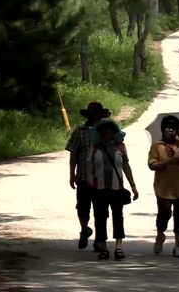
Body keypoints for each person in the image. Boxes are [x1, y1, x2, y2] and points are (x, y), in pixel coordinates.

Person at [87, 118, 139, 261]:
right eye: (102, 130)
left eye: (108, 130)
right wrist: (90, 180)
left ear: (113, 132)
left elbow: (126, 167)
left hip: (117, 189)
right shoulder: (95, 147)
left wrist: (133, 186)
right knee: (100, 218)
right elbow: (89, 167)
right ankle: (103, 248)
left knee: (118, 217)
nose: (105, 133)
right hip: (99, 189)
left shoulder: (121, 147)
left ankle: (118, 247)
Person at [147, 115, 179, 257]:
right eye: (168, 128)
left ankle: (178, 245)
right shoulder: (157, 146)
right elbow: (152, 165)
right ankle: (160, 235)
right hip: (163, 188)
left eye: (174, 128)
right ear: (163, 129)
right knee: (164, 213)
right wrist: (170, 161)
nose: (170, 131)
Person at [66, 102, 109, 251]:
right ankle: (84, 229)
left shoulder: (107, 131)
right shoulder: (80, 131)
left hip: (102, 177)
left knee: (100, 210)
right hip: (83, 175)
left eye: (95, 113)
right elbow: (74, 153)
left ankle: (99, 239)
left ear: (100, 114)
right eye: (90, 113)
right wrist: (72, 173)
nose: (93, 116)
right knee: (82, 207)